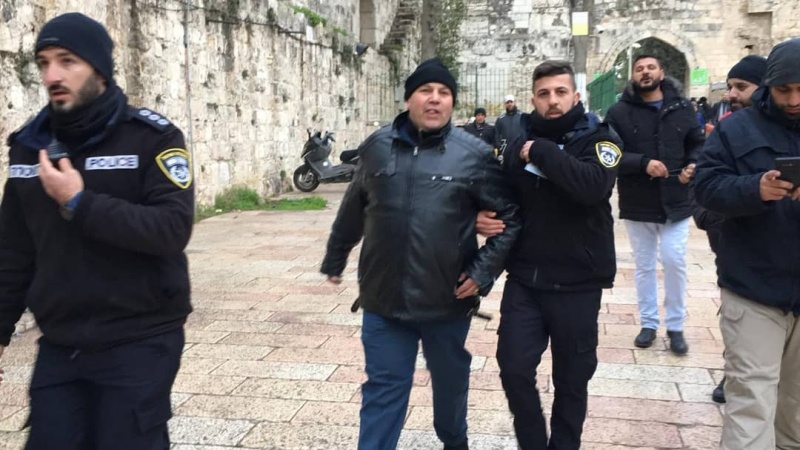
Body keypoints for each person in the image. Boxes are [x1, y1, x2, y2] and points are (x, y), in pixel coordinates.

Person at [0, 13, 194, 449]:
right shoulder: (29, 147)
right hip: (61, 342)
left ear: (100, 69)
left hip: (139, 339)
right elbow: (13, 251)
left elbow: (171, 229)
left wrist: (79, 202)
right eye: (44, 62)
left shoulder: (151, 138)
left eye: (67, 61)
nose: (52, 75)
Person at [320, 58, 520, 450]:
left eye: (443, 93)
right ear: (408, 98)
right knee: (383, 389)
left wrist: (481, 273)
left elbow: (510, 218)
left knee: (449, 385)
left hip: (446, 302)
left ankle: (454, 441)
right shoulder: (377, 148)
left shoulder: (474, 155)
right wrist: (335, 256)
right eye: (425, 90)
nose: (434, 99)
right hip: (383, 302)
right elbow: (354, 207)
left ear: (452, 102)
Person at [476, 60, 621, 450]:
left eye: (560, 92)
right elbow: (499, 191)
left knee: (572, 380)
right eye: (544, 94)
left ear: (576, 96)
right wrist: (479, 215)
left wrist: (540, 151)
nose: (552, 101)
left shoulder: (601, 139)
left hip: (578, 283)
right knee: (513, 368)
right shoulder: (517, 138)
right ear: (533, 99)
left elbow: (592, 187)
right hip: (526, 280)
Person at [693, 37, 800, 450]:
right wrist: (754, 189)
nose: (793, 100)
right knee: (751, 401)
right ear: (769, 86)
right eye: (784, 90)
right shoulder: (736, 129)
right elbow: (706, 187)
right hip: (754, 287)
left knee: (795, 410)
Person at [604, 54, 705, 355]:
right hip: (639, 202)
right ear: (632, 75)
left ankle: (675, 326)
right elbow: (608, 153)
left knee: (674, 259)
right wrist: (643, 163)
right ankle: (648, 323)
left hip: (676, 200)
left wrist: (693, 165)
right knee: (644, 265)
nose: (645, 72)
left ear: (661, 72)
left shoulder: (682, 108)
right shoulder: (618, 112)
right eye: (639, 69)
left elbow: (697, 143)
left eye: (650, 67)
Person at [690, 54, 766, 404]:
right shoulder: (726, 132)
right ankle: (732, 370)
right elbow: (705, 185)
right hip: (736, 254)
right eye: (730, 86)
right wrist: (711, 218)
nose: (731, 94)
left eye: (741, 87)